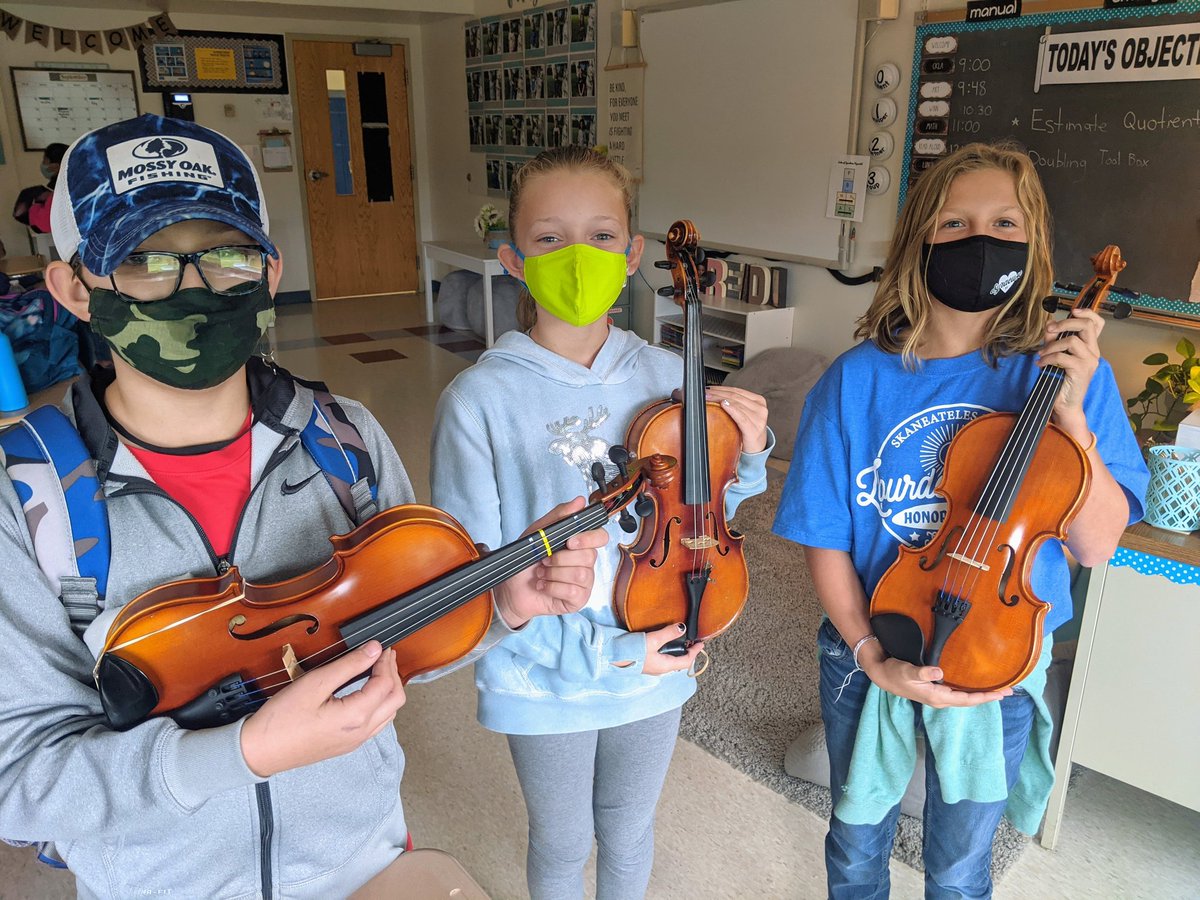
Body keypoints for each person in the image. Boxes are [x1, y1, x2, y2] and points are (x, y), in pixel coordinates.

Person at [0, 114, 607, 898]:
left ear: (270, 268)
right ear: (75, 289)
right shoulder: (25, 498)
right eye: (146, 260)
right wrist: (241, 752)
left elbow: (380, 646)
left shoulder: (346, 439)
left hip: (361, 859)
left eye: (225, 255)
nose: (196, 287)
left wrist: (498, 606)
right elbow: (19, 782)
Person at [772, 142, 1149, 898]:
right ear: (919, 240)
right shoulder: (855, 381)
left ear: (1033, 241)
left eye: (1005, 221)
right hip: (869, 642)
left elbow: (1098, 540)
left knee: (959, 864)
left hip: (999, 660)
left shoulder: (1072, 377)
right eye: (954, 223)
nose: (982, 239)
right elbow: (824, 538)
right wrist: (871, 652)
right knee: (854, 843)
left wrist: (1072, 421)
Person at [429, 145, 773, 900]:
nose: (577, 255)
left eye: (602, 235)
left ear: (634, 254)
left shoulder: (666, 375)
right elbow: (474, 577)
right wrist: (614, 660)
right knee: (560, 843)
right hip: (543, 674)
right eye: (550, 239)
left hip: (656, 643)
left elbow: (702, 516)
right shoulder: (478, 400)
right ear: (514, 260)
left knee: (628, 828)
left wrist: (745, 456)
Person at [12, 143, 67, 234]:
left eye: (45, 161)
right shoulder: (80, 183)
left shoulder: (41, 193)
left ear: (55, 166)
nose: (43, 164)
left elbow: (20, 214)